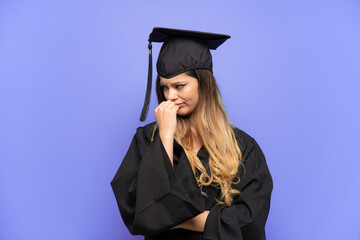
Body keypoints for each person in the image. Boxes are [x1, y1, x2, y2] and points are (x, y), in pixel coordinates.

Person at [111, 27, 273, 240]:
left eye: (179, 86)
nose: (170, 96)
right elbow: (141, 211)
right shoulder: (148, 138)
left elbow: (250, 220)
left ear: (204, 84)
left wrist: (174, 218)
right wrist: (166, 137)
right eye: (165, 87)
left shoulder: (243, 146)